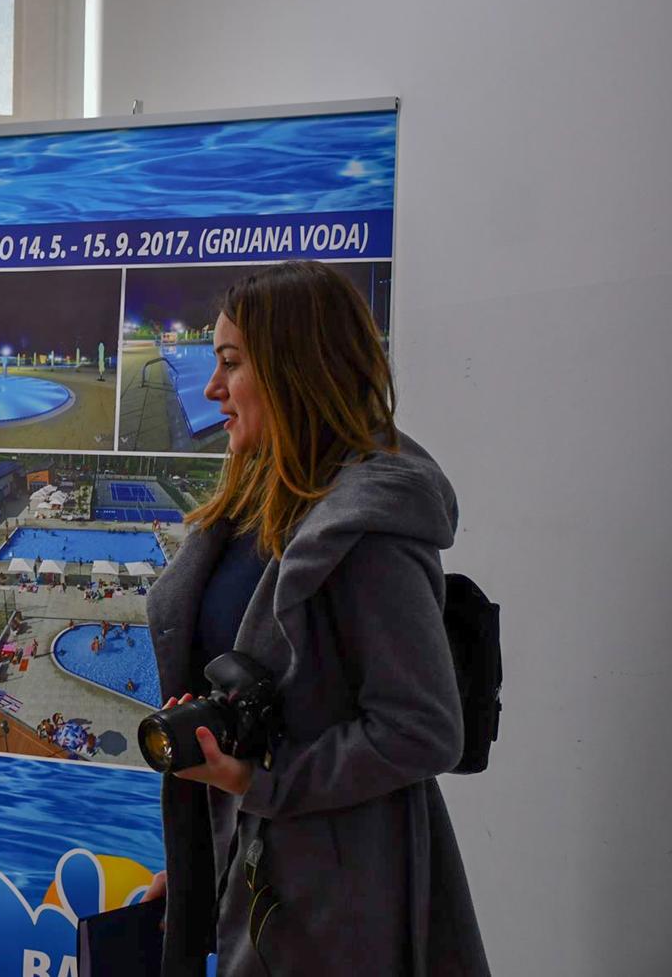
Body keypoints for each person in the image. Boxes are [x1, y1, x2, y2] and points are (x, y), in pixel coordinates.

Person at [139, 262, 487, 975]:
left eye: (231, 363)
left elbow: (422, 728)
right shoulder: (251, 503)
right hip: (257, 881)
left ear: (295, 369)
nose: (211, 388)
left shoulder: (369, 528)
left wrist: (263, 784)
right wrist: (205, 868)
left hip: (335, 910)